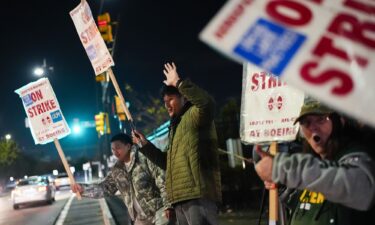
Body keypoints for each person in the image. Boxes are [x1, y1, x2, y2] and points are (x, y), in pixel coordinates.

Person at [254, 98, 375, 225]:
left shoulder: (359, 155)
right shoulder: (313, 162)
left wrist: (285, 169)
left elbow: (360, 187)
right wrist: (282, 184)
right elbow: (301, 204)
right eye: (306, 123)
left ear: (340, 120)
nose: (312, 128)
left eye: (320, 119)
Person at [132, 62, 221, 225]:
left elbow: (207, 103)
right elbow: (167, 163)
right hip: (180, 197)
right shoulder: (176, 127)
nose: (167, 105)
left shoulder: (195, 115)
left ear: (183, 97)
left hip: (197, 195)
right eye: (165, 101)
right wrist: (145, 145)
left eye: (171, 99)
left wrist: (179, 83)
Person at [71, 133, 173, 225]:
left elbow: (162, 179)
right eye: (112, 149)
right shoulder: (117, 170)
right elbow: (105, 188)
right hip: (140, 219)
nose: (115, 152)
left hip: (158, 212)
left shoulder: (143, 157)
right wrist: (83, 189)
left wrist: (168, 205)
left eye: (118, 148)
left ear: (128, 146)